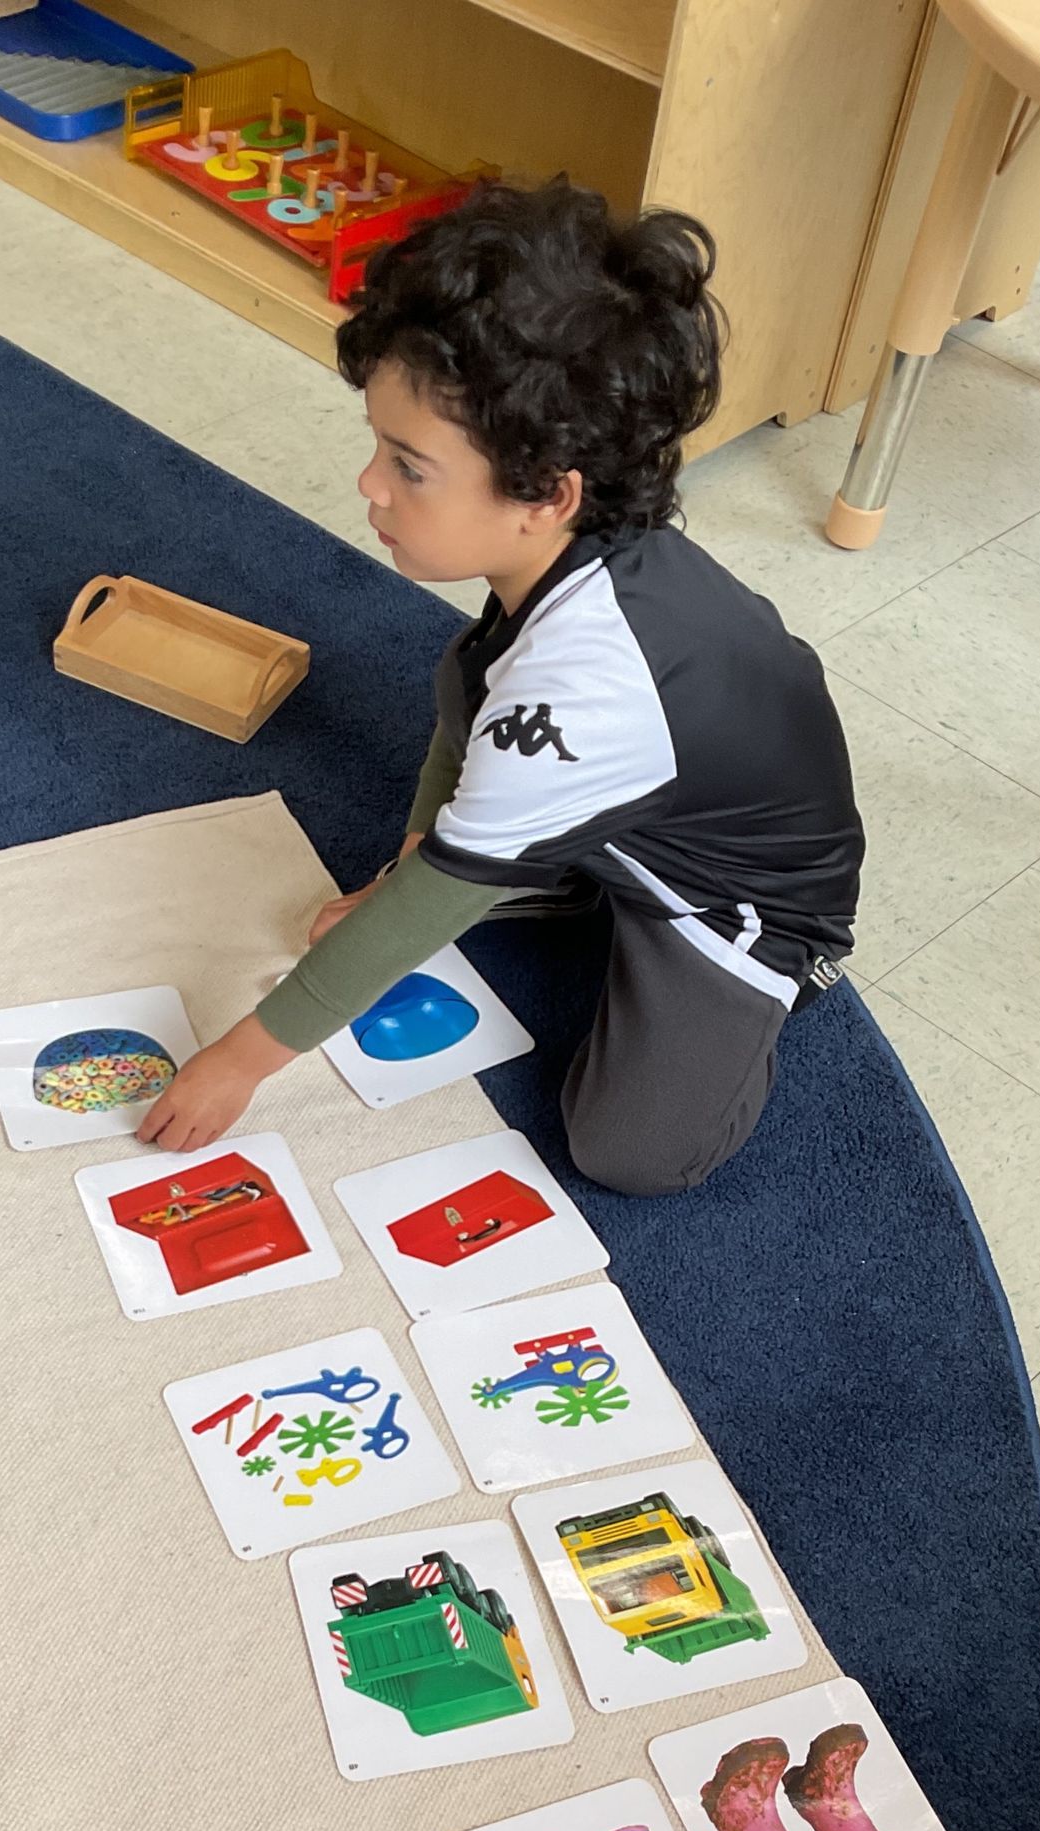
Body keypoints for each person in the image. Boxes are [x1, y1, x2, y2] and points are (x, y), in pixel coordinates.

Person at [137, 179, 864, 1196]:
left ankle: (763, 980)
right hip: (642, 790)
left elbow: (440, 881)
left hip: (738, 899)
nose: (369, 487)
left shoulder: (583, 682)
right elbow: (471, 698)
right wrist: (408, 863)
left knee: (630, 1152)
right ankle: (562, 866)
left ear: (547, 493)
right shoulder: (565, 548)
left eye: (409, 466)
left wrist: (240, 1060)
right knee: (456, 771)